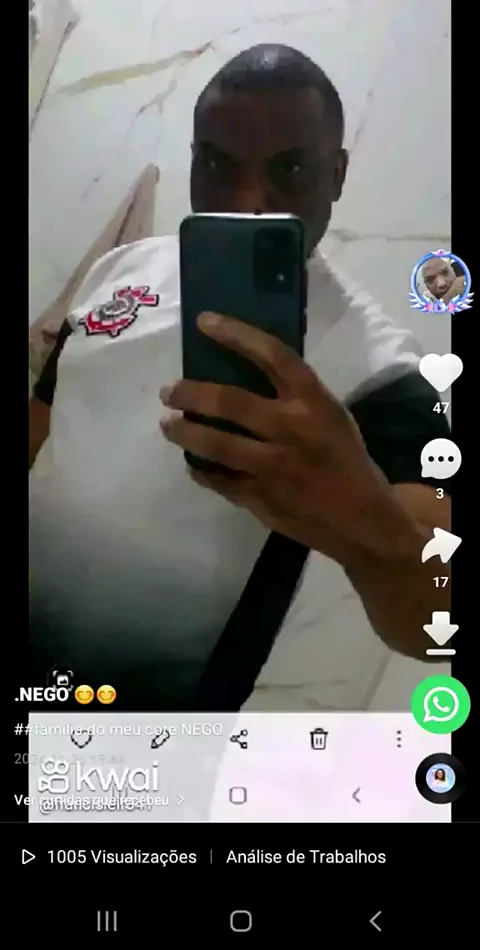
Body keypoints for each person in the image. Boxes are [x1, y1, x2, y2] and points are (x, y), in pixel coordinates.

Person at [29, 44, 451, 712]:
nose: (248, 202)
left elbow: (436, 622)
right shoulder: (123, 269)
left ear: (337, 174)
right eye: (217, 164)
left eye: (289, 169)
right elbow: (45, 423)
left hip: (149, 720)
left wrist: (365, 519)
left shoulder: (380, 369)